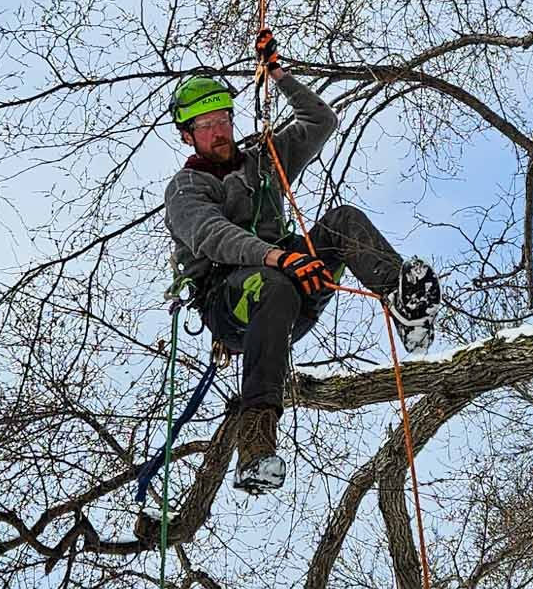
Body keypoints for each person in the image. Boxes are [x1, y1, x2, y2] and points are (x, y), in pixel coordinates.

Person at [164, 28, 442, 494]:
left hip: (294, 286)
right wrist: (278, 258)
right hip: (234, 304)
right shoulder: (188, 188)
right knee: (269, 283)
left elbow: (321, 121)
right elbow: (213, 236)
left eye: (223, 119)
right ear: (188, 134)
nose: (218, 131)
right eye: (206, 125)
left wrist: (278, 75)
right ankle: (255, 449)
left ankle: (406, 306)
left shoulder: (263, 162)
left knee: (341, 222)